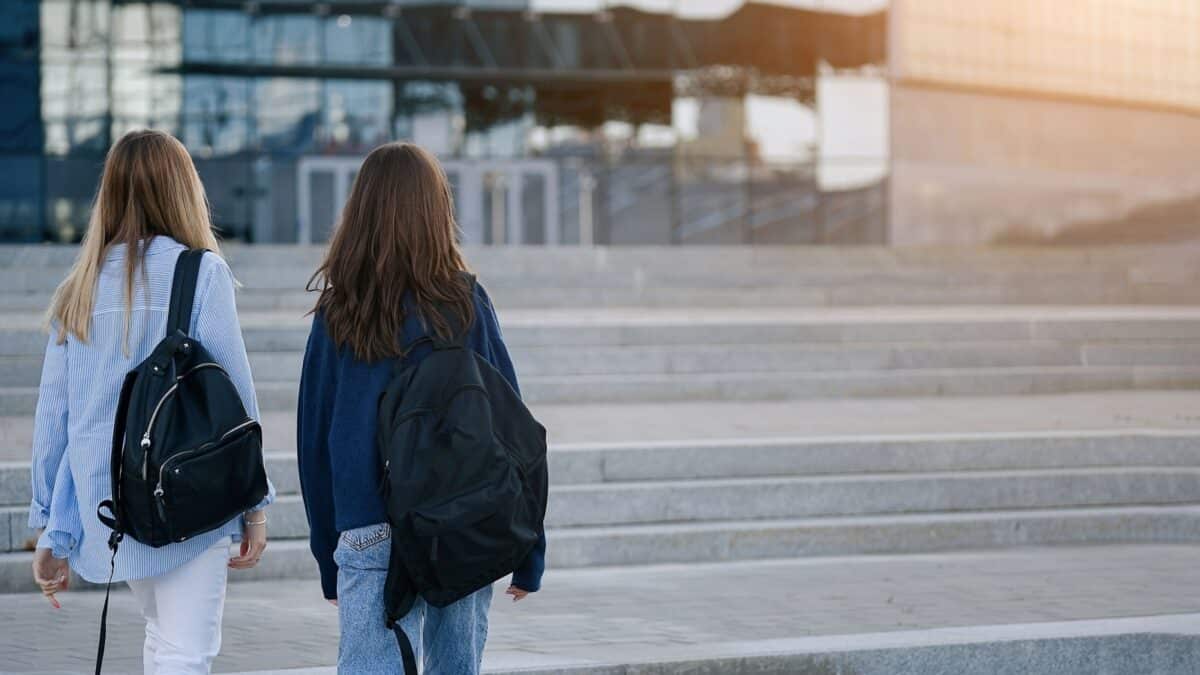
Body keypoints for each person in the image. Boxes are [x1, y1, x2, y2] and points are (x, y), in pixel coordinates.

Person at [28, 129, 273, 674]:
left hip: (115, 505)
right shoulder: (201, 273)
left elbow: (54, 420)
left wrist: (53, 525)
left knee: (164, 641)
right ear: (183, 190)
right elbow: (236, 392)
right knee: (185, 652)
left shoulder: (80, 289)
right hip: (191, 493)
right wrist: (254, 504)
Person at [298, 142, 546, 674]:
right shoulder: (464, 304)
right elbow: (513, 433)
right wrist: (529, 552)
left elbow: (315, 441)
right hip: (461, 514)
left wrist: (329, 556)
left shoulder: (340, 311)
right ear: (437, 212)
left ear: (359, 211)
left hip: (368, 523)